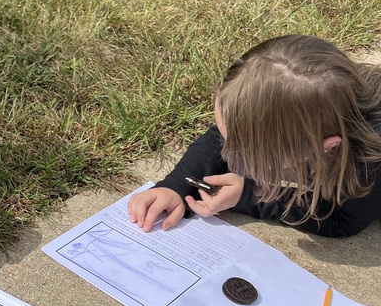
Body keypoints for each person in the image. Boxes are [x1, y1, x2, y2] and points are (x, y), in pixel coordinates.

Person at [127, 35, 381, 238]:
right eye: (229, 141)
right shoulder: (327, 105)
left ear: (325, 147)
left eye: (248, 156)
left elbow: (342, 220)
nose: (227, 154)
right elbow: (218, 138)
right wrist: (177, 185)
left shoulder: (369, 162)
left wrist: (250, 196)